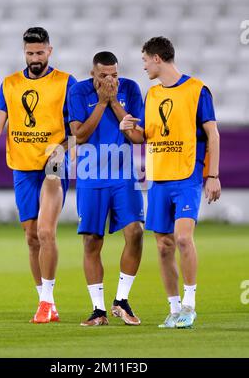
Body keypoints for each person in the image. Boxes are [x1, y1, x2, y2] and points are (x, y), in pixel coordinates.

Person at [0, 27, 76, 323]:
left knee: (46, 231)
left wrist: (64, 147)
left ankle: (46, 302)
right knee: (31, 237)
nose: (35, 58)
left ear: (50, 51)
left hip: (53, 164)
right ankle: (46, 301)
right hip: (21, 165)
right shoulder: (10, 84)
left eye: (40, 53)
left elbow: (78, 129)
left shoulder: (66, 83)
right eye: (30, 53)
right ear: (24, 52)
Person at [120, 37, 221, 328]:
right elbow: (147, 137)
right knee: (164, 246)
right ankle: (174, 309)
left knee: (183, 238)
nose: (143, 66)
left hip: (187, 175)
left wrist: (212, 176)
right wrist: (129, 130)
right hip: (159, 179)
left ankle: (190, 304)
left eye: (144, 61)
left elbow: (212, 135)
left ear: (157, 59)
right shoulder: (151, 95)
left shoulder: (197, 90)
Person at [68, 51, 144, 327]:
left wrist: (114, 103)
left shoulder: (131, 89)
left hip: (123, 174)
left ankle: (121, 300)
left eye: (114, 74)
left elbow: (137, 136)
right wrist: (101, 103)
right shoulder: (79, 92)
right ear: (93, 74)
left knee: (136, 232)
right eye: (103, 75)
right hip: (90, 175)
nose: (110, 79)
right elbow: (79, 135)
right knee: (91, 241)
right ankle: (98, 310)